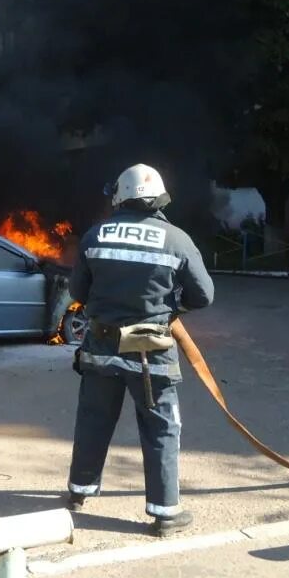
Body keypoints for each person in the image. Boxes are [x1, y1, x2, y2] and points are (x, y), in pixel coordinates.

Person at [66, 164, 214, 537]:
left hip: (101, 348)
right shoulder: (177, 239)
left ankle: (79, 494)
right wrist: (170, 310)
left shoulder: (96, 235)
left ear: (120, 195)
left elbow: (78, 293)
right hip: (151, 354)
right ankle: (165, 515)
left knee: (94, 421)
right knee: (161, 428)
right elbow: (204, 296)